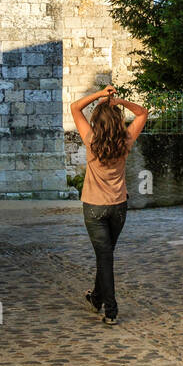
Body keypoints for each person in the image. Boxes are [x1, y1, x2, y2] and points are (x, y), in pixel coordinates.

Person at [70, 84, 148, 324]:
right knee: (105, 255)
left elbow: (75, 107)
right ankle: (96, 298)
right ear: (116, 121)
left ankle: (111, 310)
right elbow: (143, 113)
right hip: (118, 207)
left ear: (97, 121)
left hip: (94, 207)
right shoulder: (125, 140)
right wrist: (120, 102)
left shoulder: (91, 140)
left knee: (105, 257)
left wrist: (100, 95)